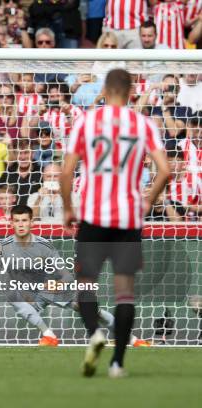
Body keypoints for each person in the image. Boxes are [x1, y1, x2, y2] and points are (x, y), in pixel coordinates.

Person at [60, 68, 170, 378]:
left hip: (94, 216)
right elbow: (164, 171)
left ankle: (95, 331)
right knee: (124, 291)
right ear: (131, 92)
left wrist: (69, 208)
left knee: (86, 286)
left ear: (105, 91)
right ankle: (118, 364)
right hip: (128, 218)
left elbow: (67, 173)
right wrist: (147, 202)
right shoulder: (144, 124)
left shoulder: (86, 122)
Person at [0, 205, 150, 347]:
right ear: (11, 224)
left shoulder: (44, 246)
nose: (21, 224)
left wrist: (54, 286)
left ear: (32, 223)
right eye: (17, 221)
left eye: (24, 220)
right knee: (11, 293)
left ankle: (129, 338)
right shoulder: (3, 247)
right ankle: (48, 335)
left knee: (91, 310)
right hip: (29, 296)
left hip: (51, 287)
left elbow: (66, 276)